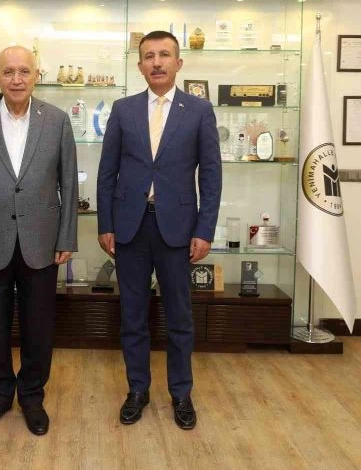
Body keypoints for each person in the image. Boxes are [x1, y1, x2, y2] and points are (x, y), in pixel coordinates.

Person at [96, 30, 222, 430]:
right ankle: (138, 390)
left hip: (178, 229)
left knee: (179, 317)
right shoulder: (123, 109)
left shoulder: (199, 110)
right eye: (149, 56)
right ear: (139, 66)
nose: (156, 62)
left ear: (178, 63)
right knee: (132, 316)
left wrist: (204, 229)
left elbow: (212, 175)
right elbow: (107, 172)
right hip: (130, 227)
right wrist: (105, 224)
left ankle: (181, 393)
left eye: (164, 54)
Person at [0, 45, 78, 436]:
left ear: (36, 75)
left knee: (39, 326)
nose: (17, 79)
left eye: (24, 71)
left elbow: (69, 183)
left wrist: (67, 236)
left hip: (41, 240)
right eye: (9, 72)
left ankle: (32, 397)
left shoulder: (56, 120)